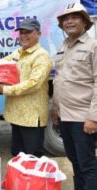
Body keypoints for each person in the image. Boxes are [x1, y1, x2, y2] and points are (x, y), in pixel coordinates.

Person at [52, 3, 97, 190]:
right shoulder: (64, 46)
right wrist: (56, 110)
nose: (69, 21)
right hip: (65, 117)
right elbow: (60, 81)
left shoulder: (93, 46)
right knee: (75, 162)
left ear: (85, 22)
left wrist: (93, 118)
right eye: (66, 19)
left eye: (75, 17)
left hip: (82, 118)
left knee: (87, 165)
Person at [0, 18, 52, 157]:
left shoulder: (41, 56)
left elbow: (33, 84)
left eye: (28, 32)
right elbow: (1, 64)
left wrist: (4, 90)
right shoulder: (18, 52)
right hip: (17, 116)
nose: (23, 35)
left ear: (38, 33)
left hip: (31, 118)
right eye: (21, 32)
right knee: (18, 156)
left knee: (32, 160)